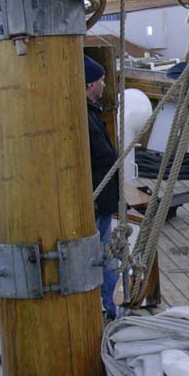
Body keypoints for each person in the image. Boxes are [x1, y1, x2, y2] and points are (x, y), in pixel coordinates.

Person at [84, 56, 120, 320]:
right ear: (89, 85)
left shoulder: (91, 112)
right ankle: (109, 307)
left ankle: (110, 306)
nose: (104, 85)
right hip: (95, 201)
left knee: (105, 252)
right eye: (101, 81)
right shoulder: (84, 117)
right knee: (101, 254)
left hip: (102, 199)